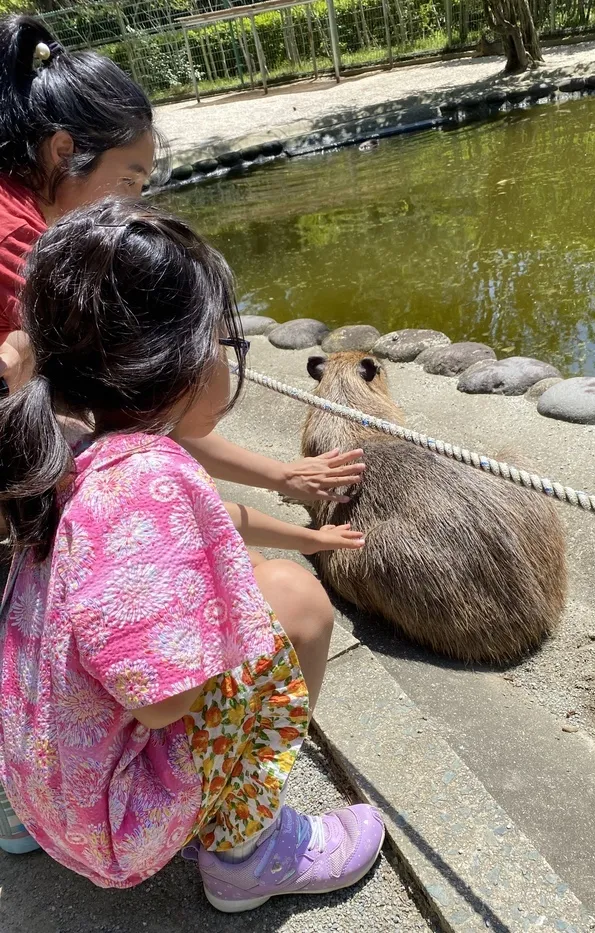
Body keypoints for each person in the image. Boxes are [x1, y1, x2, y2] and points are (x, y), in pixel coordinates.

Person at [0, 198, 384, 906]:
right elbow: (166, 701)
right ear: (176, 364)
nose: (224, 359)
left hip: (43, 787)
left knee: (266, 584)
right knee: (296, 603)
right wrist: (221, 623)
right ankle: (248, 849)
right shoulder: (146, 477)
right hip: (114, 825)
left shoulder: (62, 437)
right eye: (220, 342)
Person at [0, 13, 363, 504]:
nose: (132, 206)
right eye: (129, 181)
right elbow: (147, 403)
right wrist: (283, 477)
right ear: (64, 150)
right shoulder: (24, 245)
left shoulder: (30, 214)